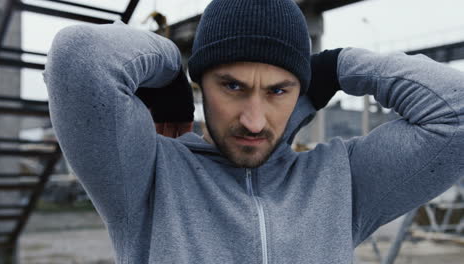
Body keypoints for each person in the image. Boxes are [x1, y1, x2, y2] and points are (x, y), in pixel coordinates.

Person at [43, 0, 464, 263]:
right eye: (232, 87)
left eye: (278, 91)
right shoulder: (145, 176)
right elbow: (80, 58)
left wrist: (339, 65)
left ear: (302, 92)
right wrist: (170, 68)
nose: (254, 121)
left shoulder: (343, 182)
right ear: (201, 85)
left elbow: (456, 112)